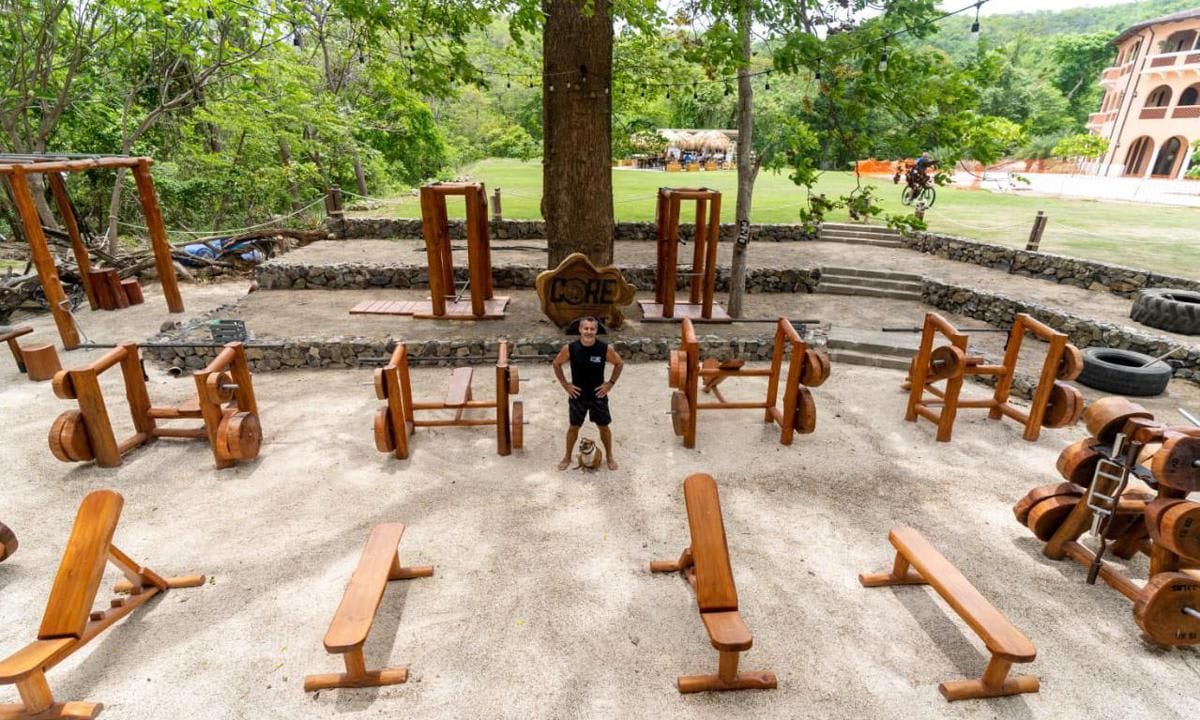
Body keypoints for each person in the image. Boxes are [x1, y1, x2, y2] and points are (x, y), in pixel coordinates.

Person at [553, 316, 623, 471]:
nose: (589, 332)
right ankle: (567, 456)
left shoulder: (604, 349)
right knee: (573, 427)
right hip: (577, 396)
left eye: (592, 329)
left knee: (604, 427)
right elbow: (556, 364)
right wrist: (566, 385)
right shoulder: (570, 348)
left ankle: (609, 456)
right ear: (580, 330)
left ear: (596, 331)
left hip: (598, 395)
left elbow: (619, 364)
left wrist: (609, 384)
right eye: (586, 328)